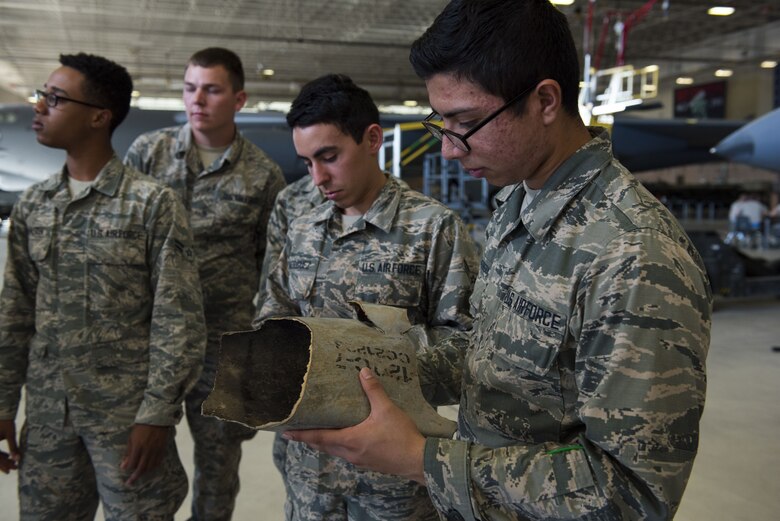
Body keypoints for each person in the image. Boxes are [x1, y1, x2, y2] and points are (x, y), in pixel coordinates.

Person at [284, 1, 713, 520]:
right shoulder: (520, 200)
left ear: (545, 101)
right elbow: (488, 359)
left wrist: (425, 460)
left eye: (465, 121)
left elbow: (631, 494)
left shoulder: (633, 254)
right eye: (441, 122)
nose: (448, 149)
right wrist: (365, 367)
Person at [255, 73, 479, 521]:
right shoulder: (302, 230)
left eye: (329, 156)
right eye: (306, 162)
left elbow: (469, 346)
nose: (318, 177)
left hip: (394, 477)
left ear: (372, 138)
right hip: (311, 473)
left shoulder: (432, 230)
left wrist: (376, 372)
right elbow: (271, 316)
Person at [0, 53, 205, 519]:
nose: (39, 107)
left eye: (54, 99)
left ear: (99, 115)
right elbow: (14, 313)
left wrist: (156, 415)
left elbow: (179, 321)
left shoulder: (151, 205)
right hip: (50, 416)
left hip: (126, 421)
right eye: (41, 96)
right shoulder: (34, 205)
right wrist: (3, 402)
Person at [124, 47, 286, 520]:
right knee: (141, 464)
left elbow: (269, 264)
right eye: (190, 88)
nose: (198, 100)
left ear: (238, 99)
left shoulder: (261, 175)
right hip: (151, 342)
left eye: (212, 89)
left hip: (224, 347)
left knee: (219, 466)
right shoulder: (148, 154)